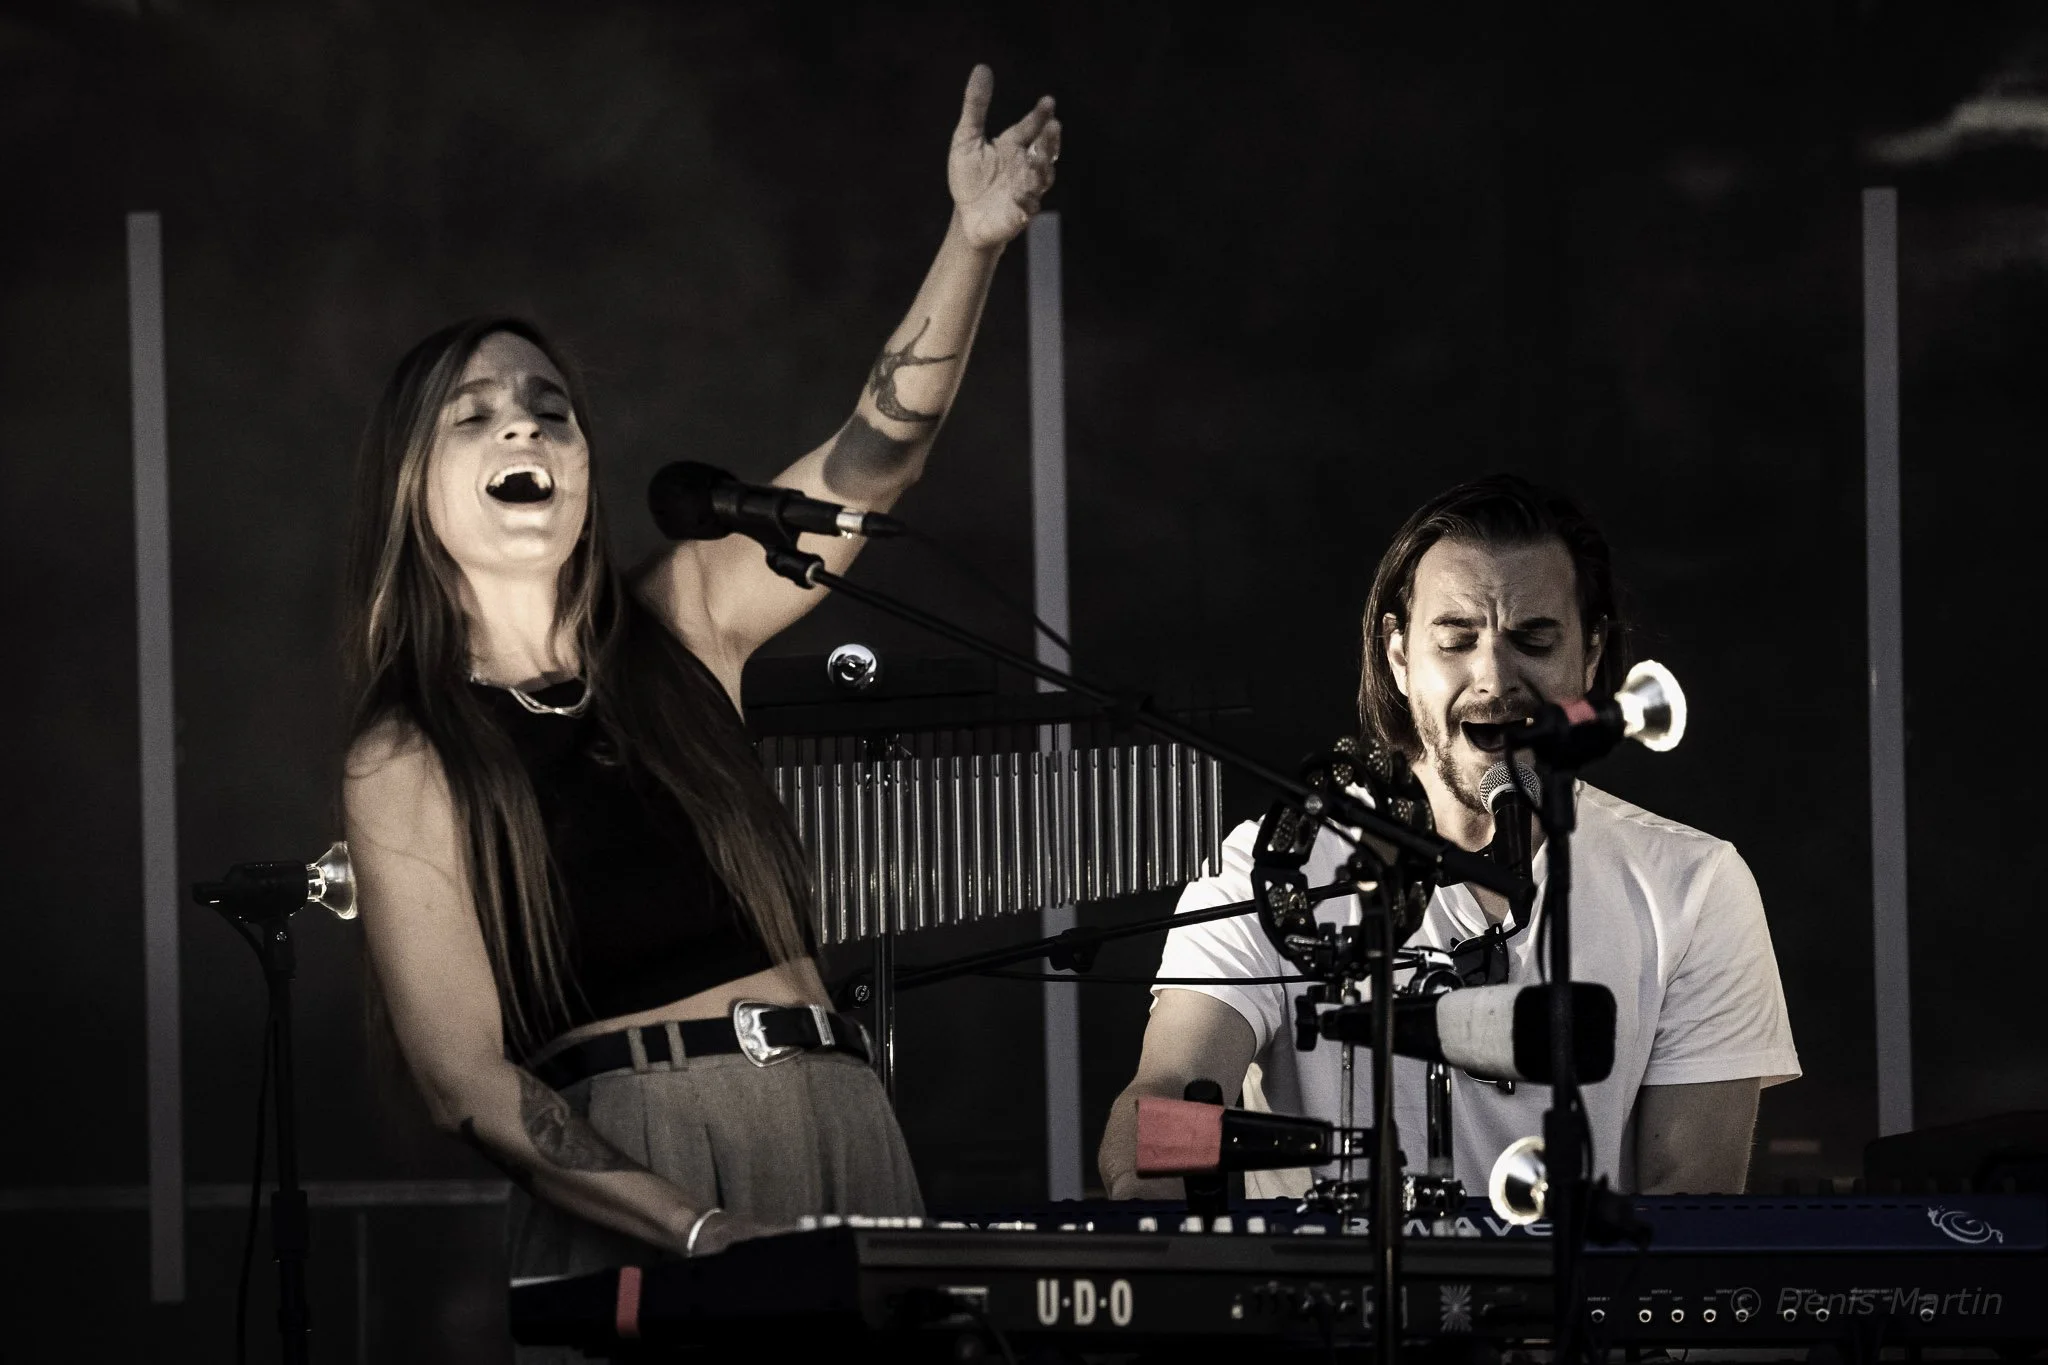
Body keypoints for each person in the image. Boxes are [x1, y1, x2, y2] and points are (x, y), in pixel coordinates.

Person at [340, 65, 1059, 1339]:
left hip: (837, 1115)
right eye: (475, 418)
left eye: (551, 412)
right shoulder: (409, 751)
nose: (527, 431)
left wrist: (972, 241)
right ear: (413, 485)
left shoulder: (680, 616)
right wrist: (695, 1227)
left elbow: (871, 463)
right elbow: (461, 1081)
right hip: (644, 1159)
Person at [1099, 475, 1799, 1200]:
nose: (1493, 677)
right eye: (1456, 639)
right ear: (1400, 655)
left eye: (1533, 639)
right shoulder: (1277, 868)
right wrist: (1165, 1198)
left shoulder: (1696, 886)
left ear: (1590, 655)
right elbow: (1164, 1102)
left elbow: (1690, 1205)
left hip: (1579, 1279)